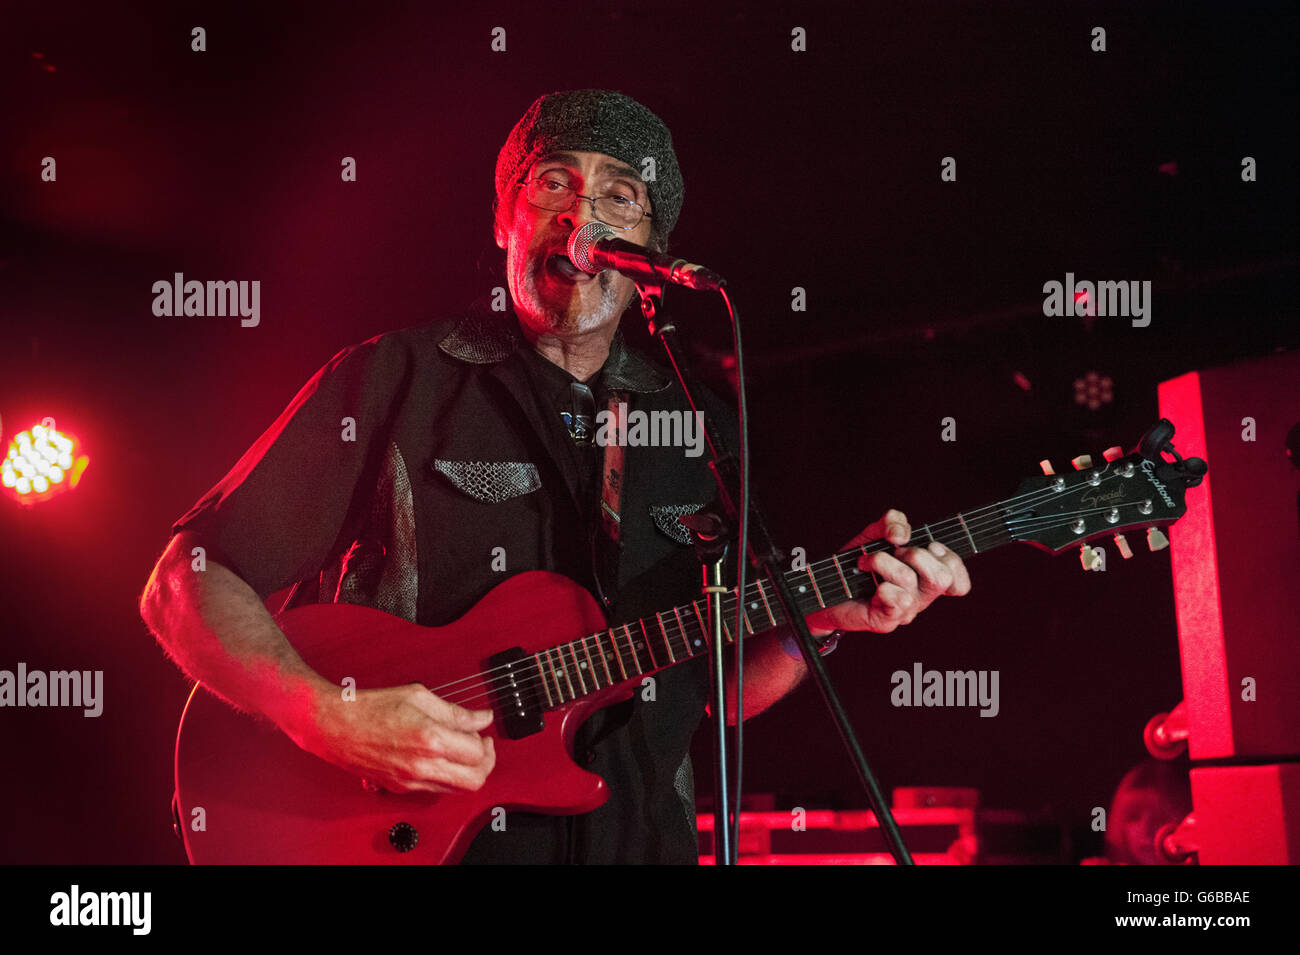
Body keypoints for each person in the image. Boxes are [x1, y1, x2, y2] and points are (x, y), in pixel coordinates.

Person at [139, 89, 971, 864]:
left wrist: (814, 622)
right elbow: (185, 580)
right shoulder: (393, 379)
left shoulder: (698, 418)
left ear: (651, 250)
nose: (582, 213)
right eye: (552, 184)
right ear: (504, 221)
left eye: (620, 195)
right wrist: (331, 718)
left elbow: (716, 691)